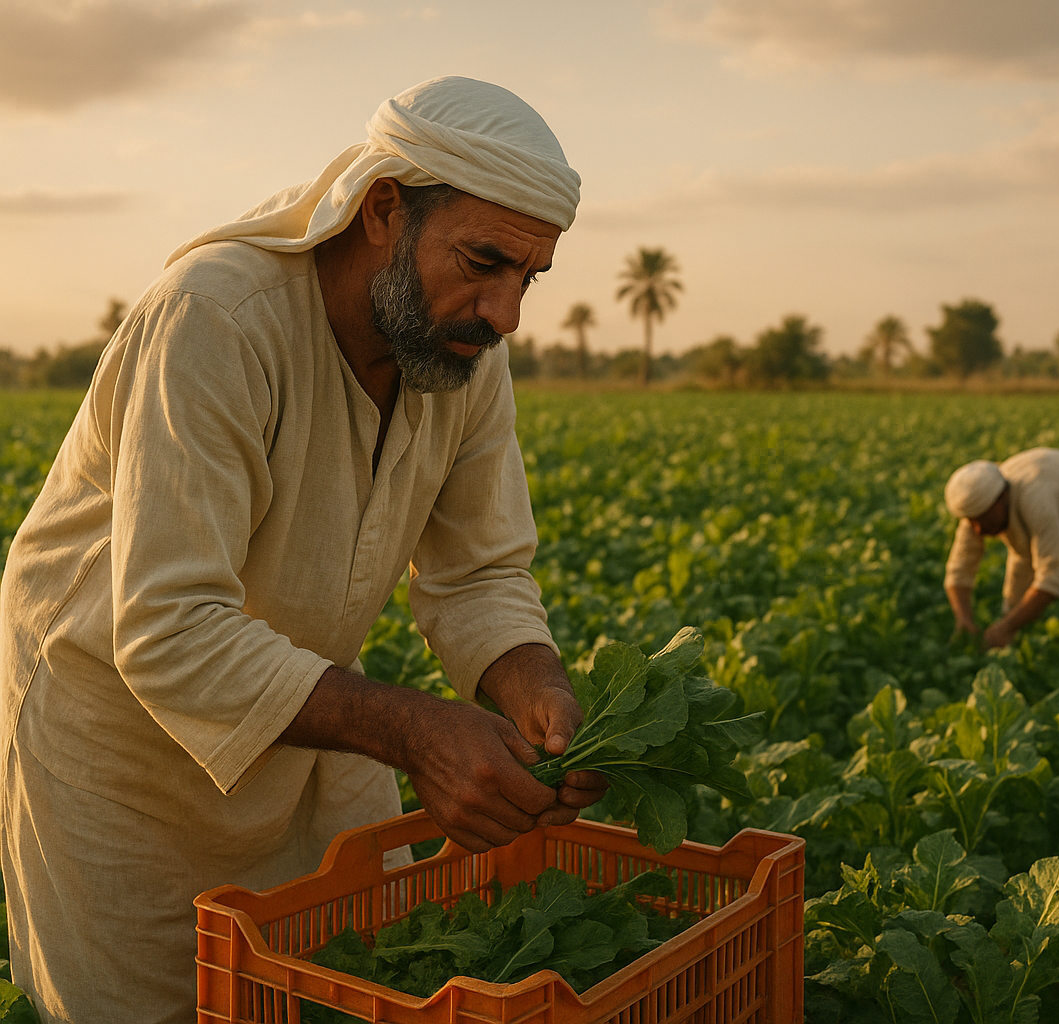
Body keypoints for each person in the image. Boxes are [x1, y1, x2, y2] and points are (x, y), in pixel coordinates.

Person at [0, 77, 611, 1022]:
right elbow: (168, 628)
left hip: (308, 713)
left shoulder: (460, 356)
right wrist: (415, 730)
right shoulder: (218, 320)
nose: (505, 314)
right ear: (381, 210)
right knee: (158, 1000)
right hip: (120, 744)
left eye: (527, 278)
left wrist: (539, 693)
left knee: (356, 969)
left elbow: (479, 571)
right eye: (484, 261)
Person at [943, 450, 1059, 649]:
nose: (979, 529)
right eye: (973, 522)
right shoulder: (977, 508)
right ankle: (1020, 644)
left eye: (984, 519)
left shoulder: (1036, 500)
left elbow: (1050, 578)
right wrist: (964, 622)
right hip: (1044, 496)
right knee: (1013, 605)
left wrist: (1004, 628)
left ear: (1002, 498)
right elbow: (958, 572)